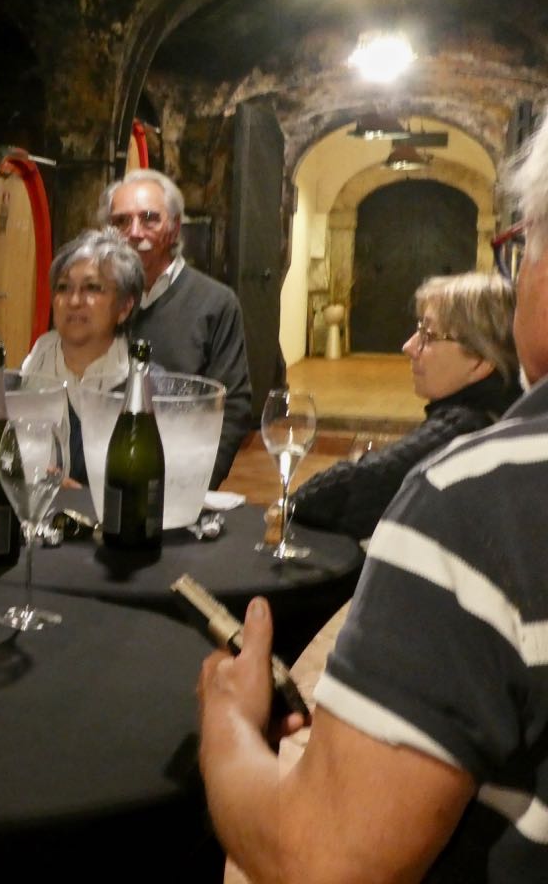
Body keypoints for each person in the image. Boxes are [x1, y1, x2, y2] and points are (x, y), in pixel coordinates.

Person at [197, 120, 548, 880]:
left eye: (524, 245)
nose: (409, 348)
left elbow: (321, 859)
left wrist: (227, 718)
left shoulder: (479, 499)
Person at [293, 271, 520, 540]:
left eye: (429, 335)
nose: (408, 346)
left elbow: (324, 498)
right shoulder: (505, 410)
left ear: (481, 361)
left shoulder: (465, 428)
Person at [100, 168, 251, 487]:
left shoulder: (215, 302)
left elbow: (232, 405)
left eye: (149, 219)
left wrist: (198, 483)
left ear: (175, 226)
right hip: (102, 473)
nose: (134, 232)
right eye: (121, 221)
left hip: (180, 476)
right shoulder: (94, 299)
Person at [21, 226, 144, 483]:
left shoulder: (144, 389)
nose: (74, 300)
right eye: (63, 287)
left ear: (124, 308)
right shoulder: (27, 375)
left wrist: (87, 498)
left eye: (92, 288)